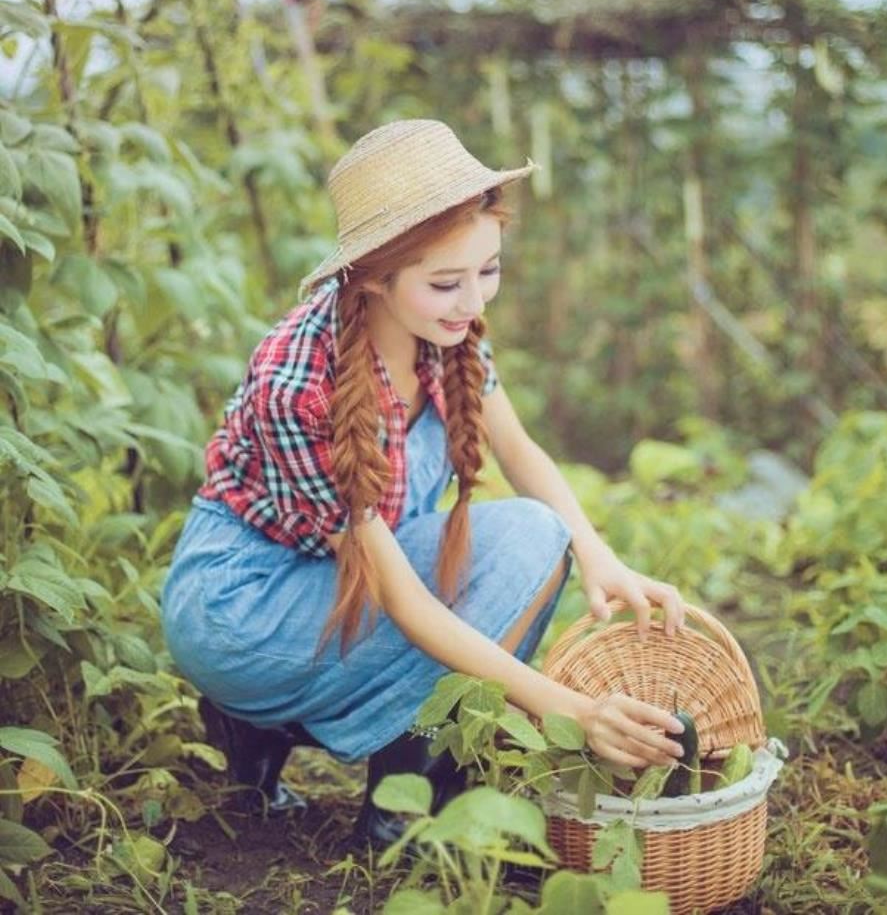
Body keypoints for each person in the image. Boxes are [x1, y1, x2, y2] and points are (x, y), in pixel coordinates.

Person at [161, 119, 687, 845]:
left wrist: (601, 554)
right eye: (447, 282)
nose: (475, 301)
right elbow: (405, 603)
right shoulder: (300, 383)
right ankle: (395, 805)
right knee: (494, 573)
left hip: (343, 573)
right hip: (247, 601)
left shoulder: (447, 327)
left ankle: (406, 759)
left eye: (489, 270)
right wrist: (569, 710)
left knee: (541, 532)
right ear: (374, 273)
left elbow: (520, 450)